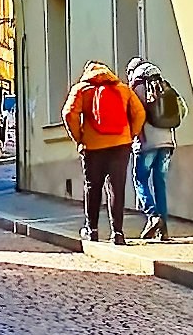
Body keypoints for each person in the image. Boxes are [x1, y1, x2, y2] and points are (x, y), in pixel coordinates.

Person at [62, 63, 139, 243]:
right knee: (116, 188)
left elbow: (68, 113)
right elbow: (139, 112)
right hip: (121, 145)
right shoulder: (123, 89)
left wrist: (79, 138)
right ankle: (118, 234)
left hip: (93, 146)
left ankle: (92, 230)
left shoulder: (82, 89)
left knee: (92, 187)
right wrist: (130, 134)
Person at [126, 61, 183, 243]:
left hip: (146, 144)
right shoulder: (164, 85)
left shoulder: (136, 88)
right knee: (160, 183)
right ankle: (163, 231)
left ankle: (152, 215)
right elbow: (183, 110)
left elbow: (133, 114)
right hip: (167, 143)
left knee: (140, 179)